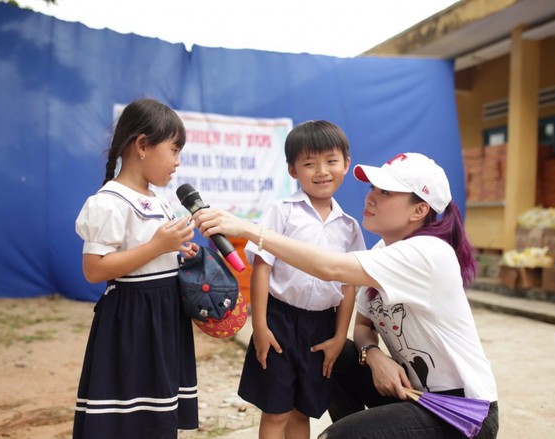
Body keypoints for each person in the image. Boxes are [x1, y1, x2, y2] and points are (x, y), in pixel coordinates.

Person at [194, 152, 499, 438]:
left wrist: (251, 230)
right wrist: (374, 355)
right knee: (332, 349)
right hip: (409, 394)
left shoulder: (428, 252)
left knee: (338, 437)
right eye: (373, 188)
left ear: (419, 210)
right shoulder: (381, 252)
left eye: (386, 193)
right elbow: (364, 326)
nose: (371, 197)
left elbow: (330, 268)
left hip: (462, 412)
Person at [73, 98, 200, 439]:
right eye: (174, 150)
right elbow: (94, 269)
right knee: (127, 418)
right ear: (142, 145)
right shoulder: (109, 201)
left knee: (158, 417)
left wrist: (176, 252)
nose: (177, 162)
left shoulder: (159, 199)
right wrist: (156, 247)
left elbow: (151, 253)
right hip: (132, 321)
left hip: (164, 317)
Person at [239, 120, 366, 439]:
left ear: (346, 164)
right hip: (279, 322)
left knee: (302, 409)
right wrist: (261, 326)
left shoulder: (348, 227)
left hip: (322, 327)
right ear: (293, 170)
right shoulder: (281, 212)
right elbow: (262, 267)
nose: (321, 171)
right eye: (309, 163)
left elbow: (349, 285)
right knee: (276, 410)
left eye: (331, 161)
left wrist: (339, 337)